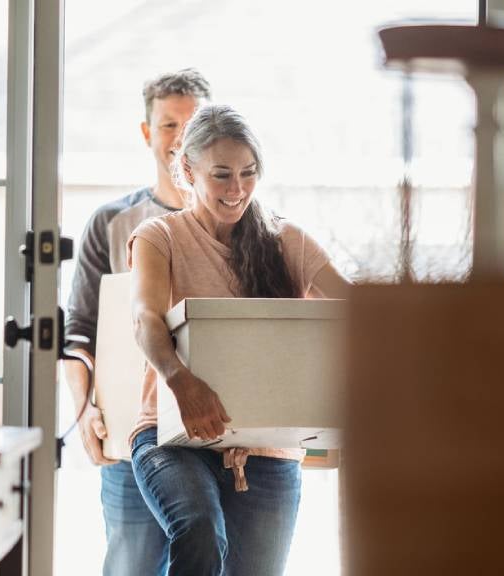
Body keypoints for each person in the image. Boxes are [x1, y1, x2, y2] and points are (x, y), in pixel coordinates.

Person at [126, 104, 351, 576]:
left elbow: (357, 310)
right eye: (222, 175)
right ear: (188, 170)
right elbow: (145, 316)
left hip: (267, 449)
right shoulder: (159, 236)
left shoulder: (287, 240)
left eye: (248, 173)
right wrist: (181, 380)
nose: (238, 189)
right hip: (172, 436)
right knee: (199, 528)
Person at [63, 68, 211, 576]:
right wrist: (85, 412)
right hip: (130, 437)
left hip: (212, 437)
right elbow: (79, 332)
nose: (180, 139)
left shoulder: (237, 224)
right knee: (130, 565)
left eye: (193, 125)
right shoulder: (110, 223)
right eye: (168, 125)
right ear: (147, 133)